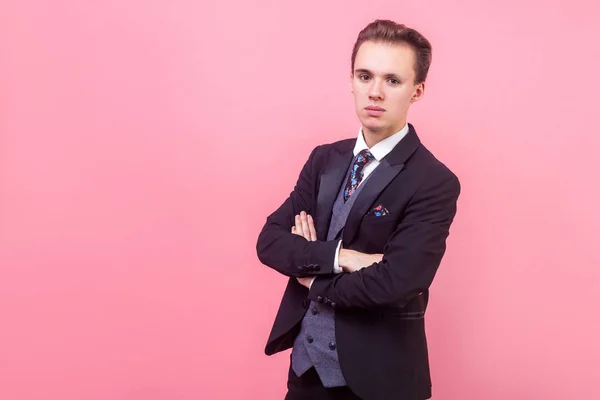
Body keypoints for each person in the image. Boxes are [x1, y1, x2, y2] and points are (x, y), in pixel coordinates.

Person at [256, 19, 461, 400]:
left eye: (392, 80)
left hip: (379, 380)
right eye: (365, 76)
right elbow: (270, 241)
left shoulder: (433, 181)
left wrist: (313, 278)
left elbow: (397, 283)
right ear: (351, 80)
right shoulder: (324, 160)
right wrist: (342, 256)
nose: (375, 92)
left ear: (417, 91)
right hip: (306, 370)